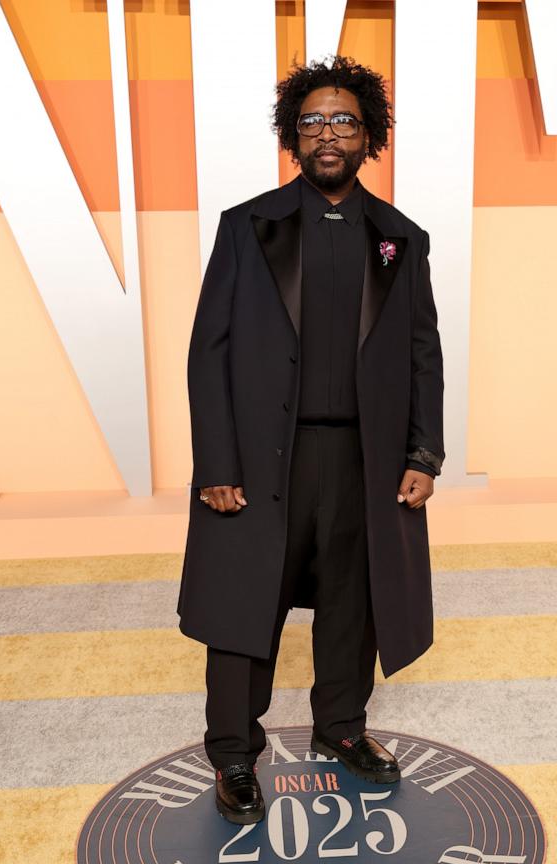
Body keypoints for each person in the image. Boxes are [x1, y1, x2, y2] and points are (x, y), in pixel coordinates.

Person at [177, 54, 445, 824]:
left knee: (353, 603)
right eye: (313, 121)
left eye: (344, 121)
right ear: (292, 135)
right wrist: (215, 463)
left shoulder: (402, 238)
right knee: (242, 608)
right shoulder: (247, 225)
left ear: (371, 135)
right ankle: (233, 754)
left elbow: (422, 352)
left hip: (362, 461)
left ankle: (340, 730)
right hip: (260, 462)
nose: (328, 134)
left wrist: (421, 455)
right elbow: (210, 352)